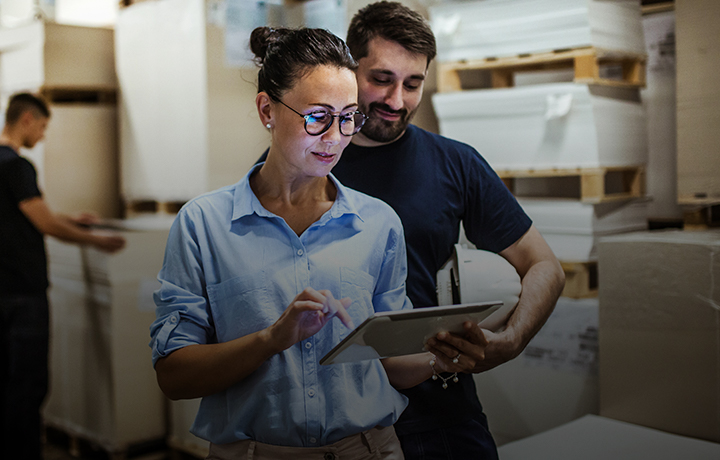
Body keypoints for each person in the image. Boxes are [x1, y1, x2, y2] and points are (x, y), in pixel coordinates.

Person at [149, 27, 471, 460]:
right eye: (318, 116)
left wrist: (442, 355)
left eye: (348, 117)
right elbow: (174, 377)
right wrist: (272, 339)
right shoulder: (204, 225)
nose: (336, 138)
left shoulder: (377, 223)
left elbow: (390, 362)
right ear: (267, 110)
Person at [336, 2, 566, 459]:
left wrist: (511, 341)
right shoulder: (308, 163)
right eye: (381, 79)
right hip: (337, 418)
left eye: (413, 84)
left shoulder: (455, 162)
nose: (396, 100)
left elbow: (544, 266)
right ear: (349, 67)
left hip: (440, 413)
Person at [0, 92, 126, 460]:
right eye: (41, 127)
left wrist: (71, 219)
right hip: (23, 297)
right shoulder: (17, 166)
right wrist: (97, 241)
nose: (41, 136)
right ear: (26, 120)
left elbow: (22, 215)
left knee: (7, 384)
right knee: (27, 387)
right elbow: (44, 223)